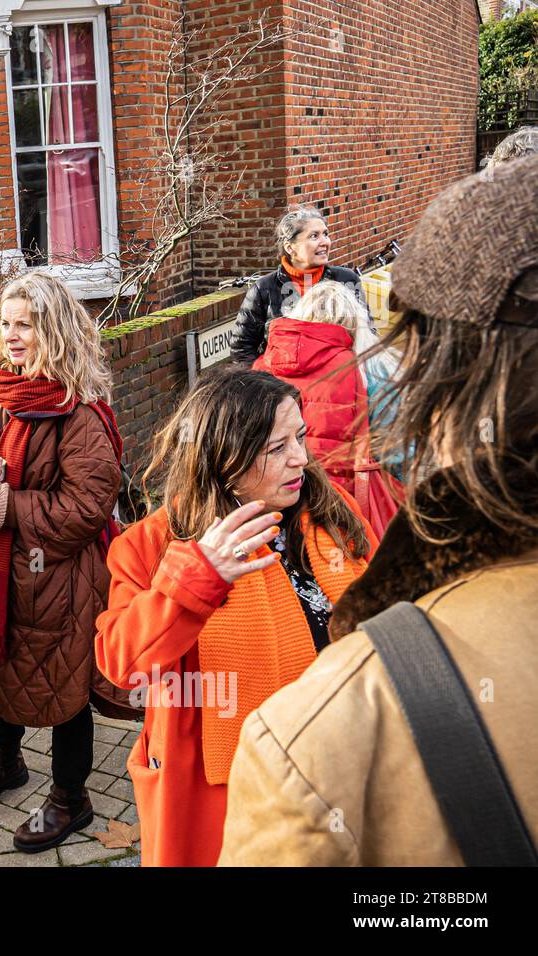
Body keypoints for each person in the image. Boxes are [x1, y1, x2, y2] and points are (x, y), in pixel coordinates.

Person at [220, 154, 538, 865]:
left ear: (442, 387)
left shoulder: (319, 739)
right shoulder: (272, 299)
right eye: (315, 240)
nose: (325, 249)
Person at [94, 367, 374, 866]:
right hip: (227, 795)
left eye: (301, 437)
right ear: (223, 458)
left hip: (344, 768)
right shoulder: (156, 544)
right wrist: (197, 576)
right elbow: (121, 663)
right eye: (275, 448)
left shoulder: (333, 512)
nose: (301, 459)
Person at [0, 272, 124, 853]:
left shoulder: (79, 411)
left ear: (56, 330)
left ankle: (71, 799)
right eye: (7, 323)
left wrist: (5, 506)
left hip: (58, 581)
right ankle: (6, 762)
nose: (13, 336)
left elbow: (87, 508)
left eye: (27, 325)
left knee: (62, 691)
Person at [251, 280, 403, 535]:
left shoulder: (262, 366)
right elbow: (395, 450)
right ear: (353, 323)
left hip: (274, 504)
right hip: (343, 505)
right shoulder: (368, 368)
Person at [228, 207, 369, 363]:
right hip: (283, 383)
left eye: (326, 234)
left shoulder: (345, 280)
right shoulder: (264, 288)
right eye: (314, 236)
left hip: (336, 379)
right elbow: (241, 348)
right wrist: (268, 381)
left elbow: (366, 332)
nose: (325, 242)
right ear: (290, 247)